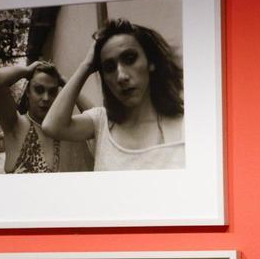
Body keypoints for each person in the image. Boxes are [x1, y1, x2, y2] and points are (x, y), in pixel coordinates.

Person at [42, 18, 185, 171]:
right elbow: (52, 126)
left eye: (130, 59)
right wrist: (86, 65)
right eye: (109, 67)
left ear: (150, 62)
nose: (121, 76)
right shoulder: (102, 122)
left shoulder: (185, 126)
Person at [0, 61, 92, 173]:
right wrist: (27, 71)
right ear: (28, 92)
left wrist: (65, 82)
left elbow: (97, 120)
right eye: (39, 90)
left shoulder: (62, 129)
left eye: (52, 92)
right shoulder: (16, 126)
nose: (46, 98)